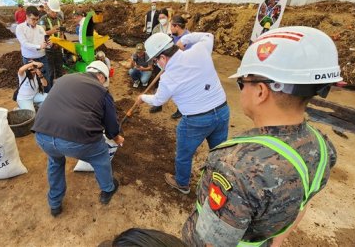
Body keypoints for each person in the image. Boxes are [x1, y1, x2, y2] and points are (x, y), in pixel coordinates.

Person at [182, 26, 340, 246]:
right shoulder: (322, 147)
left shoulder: (235, 166)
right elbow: (301, 206)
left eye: (241, 83)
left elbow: (213, 241)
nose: (240, 90)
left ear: (260, 92)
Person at [137, 32, 229, 194]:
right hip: (222, 111)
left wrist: (142, 97)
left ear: (163, 58)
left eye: (156, 60)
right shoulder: (200, 50)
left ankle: (182, 183)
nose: (157, 64)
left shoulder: (168, 79)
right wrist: (185, 40)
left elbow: (158, 100)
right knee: (219, 151)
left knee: (184, 155)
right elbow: (208, 36)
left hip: (196, 121)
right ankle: (218, 182)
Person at [32, 61, 124, 217]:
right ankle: (108, 189)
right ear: (101, 76)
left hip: (42, 134)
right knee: (100, 156)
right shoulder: (102, 92)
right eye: (105, 81)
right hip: (75, 141)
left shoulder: (63, 79)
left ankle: (55, 204)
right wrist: (116, 136)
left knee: (55, 161)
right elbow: (111, 124)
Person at [15, 7, 51, 92]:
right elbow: (24, 44)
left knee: (46, 79)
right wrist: (39, 46)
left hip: (43, 57)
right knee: (31, 81)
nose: (35, 22)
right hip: (29, 59)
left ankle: (47, 97)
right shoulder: (20, 28)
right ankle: (33, 99)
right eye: (33, 19)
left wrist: (49, 44)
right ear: (27, 17)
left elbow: (45, 42)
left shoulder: (40, 28)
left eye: (37, 19)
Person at [169, 15, 191, 119]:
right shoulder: (174, 36)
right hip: (175, 67)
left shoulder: (188, 39)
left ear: (176, 26)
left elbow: (190, 58)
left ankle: (182, 110)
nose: (170, 29)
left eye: (171, 26)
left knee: (183, 90)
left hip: (186, 70)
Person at [39, 0, 65, 84]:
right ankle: (49, 90)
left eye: (56, 12)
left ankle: (59, 87)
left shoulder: (59, 19)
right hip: (48, 51)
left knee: (59, 71)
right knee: (49, 72)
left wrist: (62, 41)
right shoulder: (43, 20)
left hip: (58, 49)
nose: (55, 13)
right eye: (53, 11)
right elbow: (40, 34)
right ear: (48, 10)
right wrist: (51, 31)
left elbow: (61, 33)